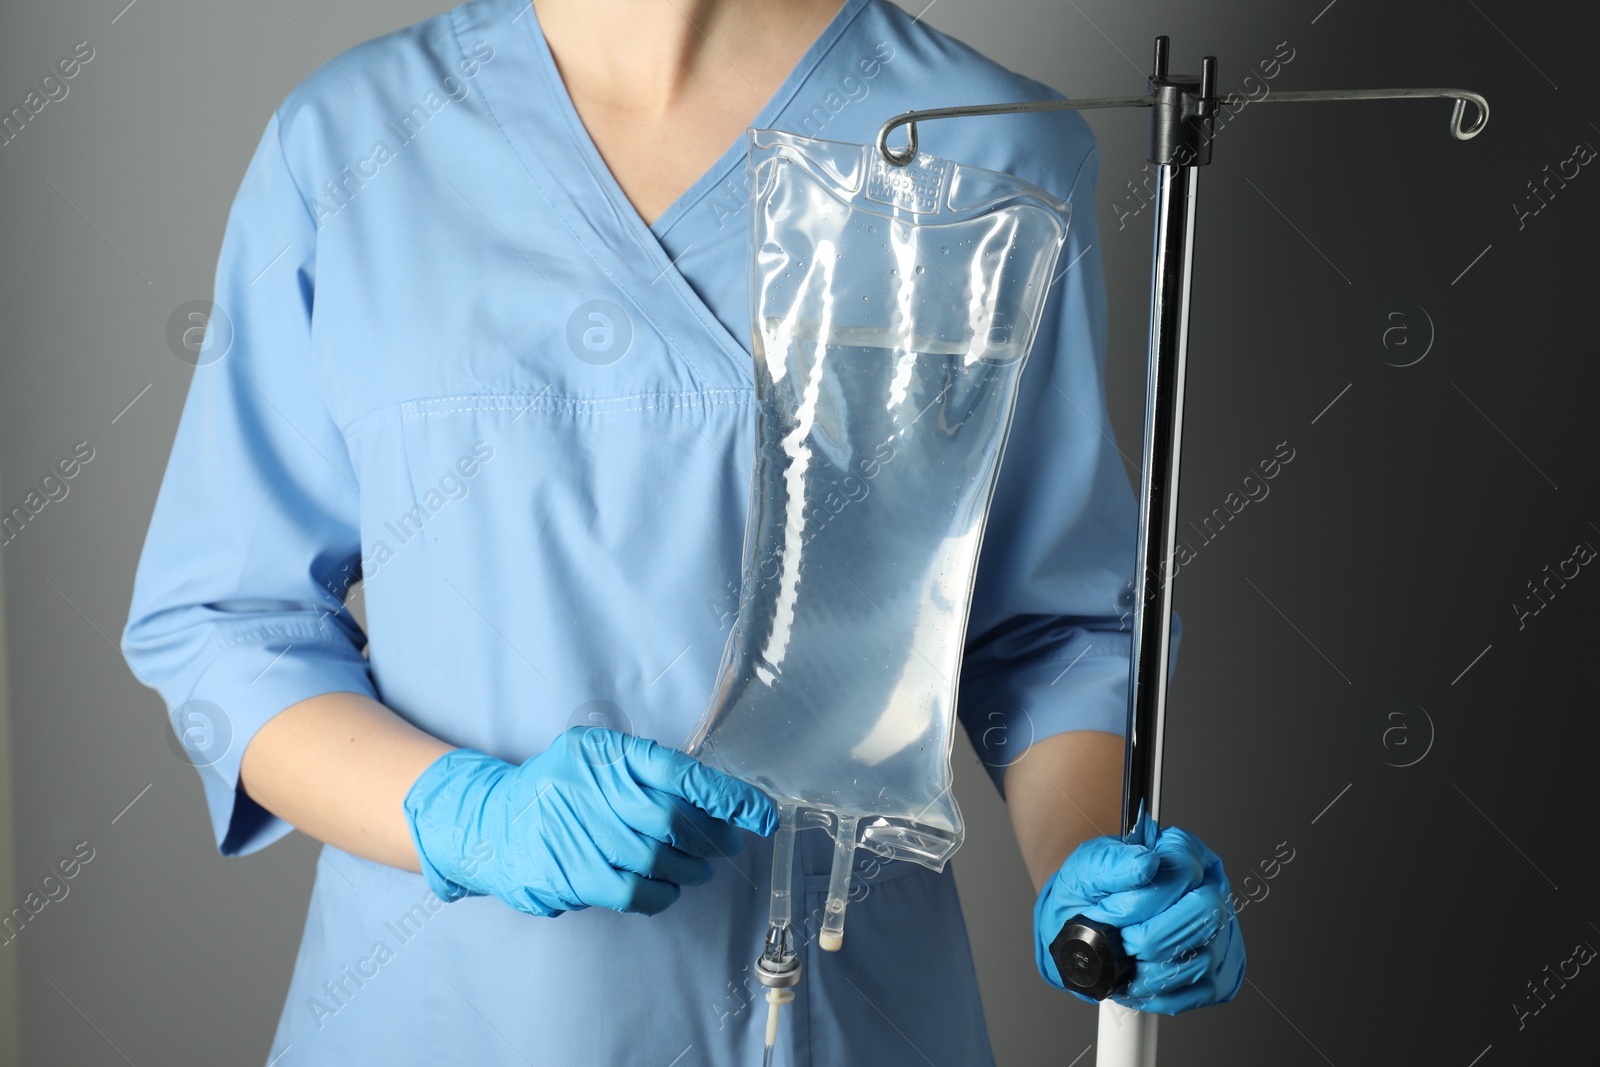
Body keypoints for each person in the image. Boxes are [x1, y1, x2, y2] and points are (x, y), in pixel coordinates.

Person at [121, 0, 1244, 1062]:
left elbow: (1050, 635)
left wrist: (1090, 874)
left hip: (824, 1014)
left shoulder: (988, 145)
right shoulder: (349, 148)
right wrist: (470, 816)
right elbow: (229, 622)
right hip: (439, 1010)